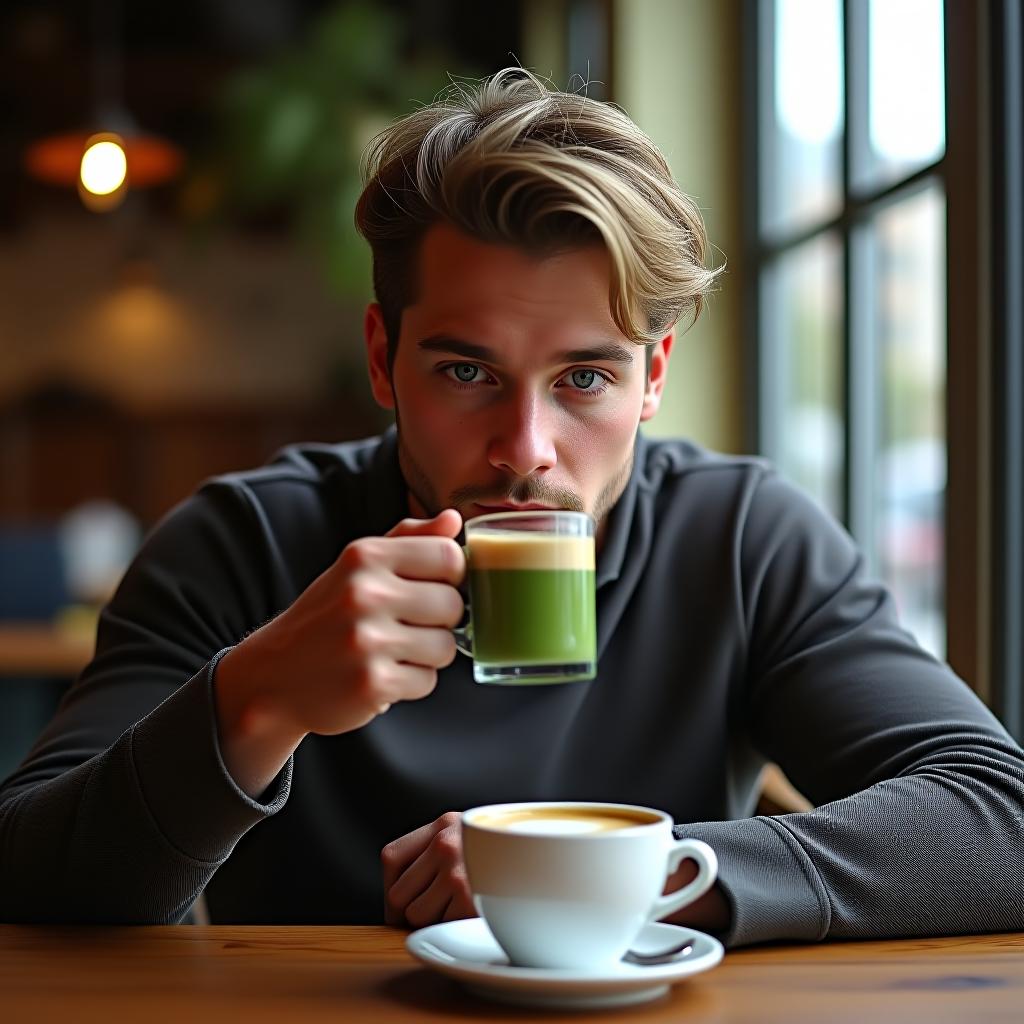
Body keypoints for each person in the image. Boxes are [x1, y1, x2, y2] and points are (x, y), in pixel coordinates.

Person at [2, 68, 1022, 946]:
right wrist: (254, 699)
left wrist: (616, 872)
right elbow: (26, 875)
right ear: (381, 358)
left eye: (583, 378)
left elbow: (998, 820)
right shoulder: (243, 541)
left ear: (652, 375)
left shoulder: (740, 538)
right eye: (465, 370)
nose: (524, 450)